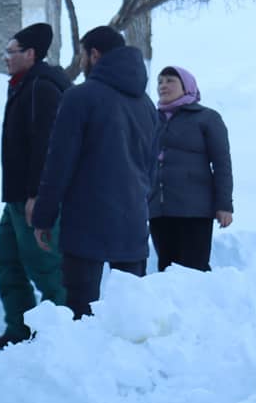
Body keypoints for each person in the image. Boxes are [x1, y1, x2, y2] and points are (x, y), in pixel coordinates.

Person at [31, 26, 159, 319]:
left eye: (82, 53)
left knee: (81, 312)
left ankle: (82, 366)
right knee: (129, 315)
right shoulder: (146, 104)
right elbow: (152, 166)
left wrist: (43, 217)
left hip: (87, 222)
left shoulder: (80, 97)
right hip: (133, 221)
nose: (81, 60)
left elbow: (59, 162)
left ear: (95, 54)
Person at [0, 23, 71, 350]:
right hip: (16, 196)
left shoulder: (43, 88)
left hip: (34, 198)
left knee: (46, 266)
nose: (6, 58)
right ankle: (20, 329)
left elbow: (47, 145)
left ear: (31, 54)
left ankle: (60, 335)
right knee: (5, 256)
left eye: (12, 52)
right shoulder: (25, 85)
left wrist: (39, 196)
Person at [149, 65, 234, 272]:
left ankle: (202, 305)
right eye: (160, 81)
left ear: (186, 86)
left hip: (194, 210)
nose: (163, 86)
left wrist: (224, 205)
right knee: (166, 270)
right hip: (158, 210)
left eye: (170, 81)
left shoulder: (207, 118)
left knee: (194, 270)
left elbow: (222, 163)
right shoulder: (152, 118)